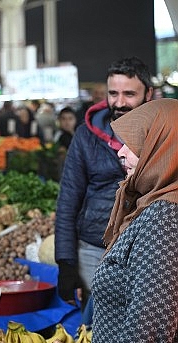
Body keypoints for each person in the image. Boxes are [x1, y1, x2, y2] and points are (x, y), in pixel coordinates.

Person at [54, 57, 154, 317]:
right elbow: (68, 201)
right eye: (113, 93)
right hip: (94, 248)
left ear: (149, 94)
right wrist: (65, 262)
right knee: (97, 326)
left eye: (129, 94)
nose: (119, 102)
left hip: (147, 252)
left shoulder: (163, 134)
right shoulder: (86, 136)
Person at [92, 98, 178, 343]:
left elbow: (149, 326)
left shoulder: (164, 217)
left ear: (162, 150)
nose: (121, 152)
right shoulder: (153, 205)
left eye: (136, 145)